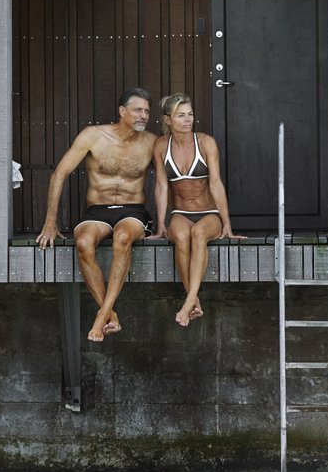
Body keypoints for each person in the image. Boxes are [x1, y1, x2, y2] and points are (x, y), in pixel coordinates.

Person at [36, 88, 156, 343]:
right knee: (83, 243)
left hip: (133, 211)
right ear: (122, 111)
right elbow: (59, 174)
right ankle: (110, 314)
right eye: (138, 110)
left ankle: (101, 318)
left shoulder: (151, 142)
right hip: (97, 211)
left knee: (122, 238)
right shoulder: (93, 135)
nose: (144, 115)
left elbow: (170, 181)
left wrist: (169, 222)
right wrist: (50, 222)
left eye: (147, 111)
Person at [153, 93, 241, 326]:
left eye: (190, 114)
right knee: (182, 237)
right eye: (180, 115)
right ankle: (194, 301)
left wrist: (227, 224)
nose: (187, 120)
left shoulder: (205, 142)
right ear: (168, 120)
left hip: (209, 213)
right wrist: (161, 224)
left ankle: (189, 301)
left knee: (198, 233)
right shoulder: (161, 145)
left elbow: (216, 184)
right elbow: (161, 186)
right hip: (180, 213)